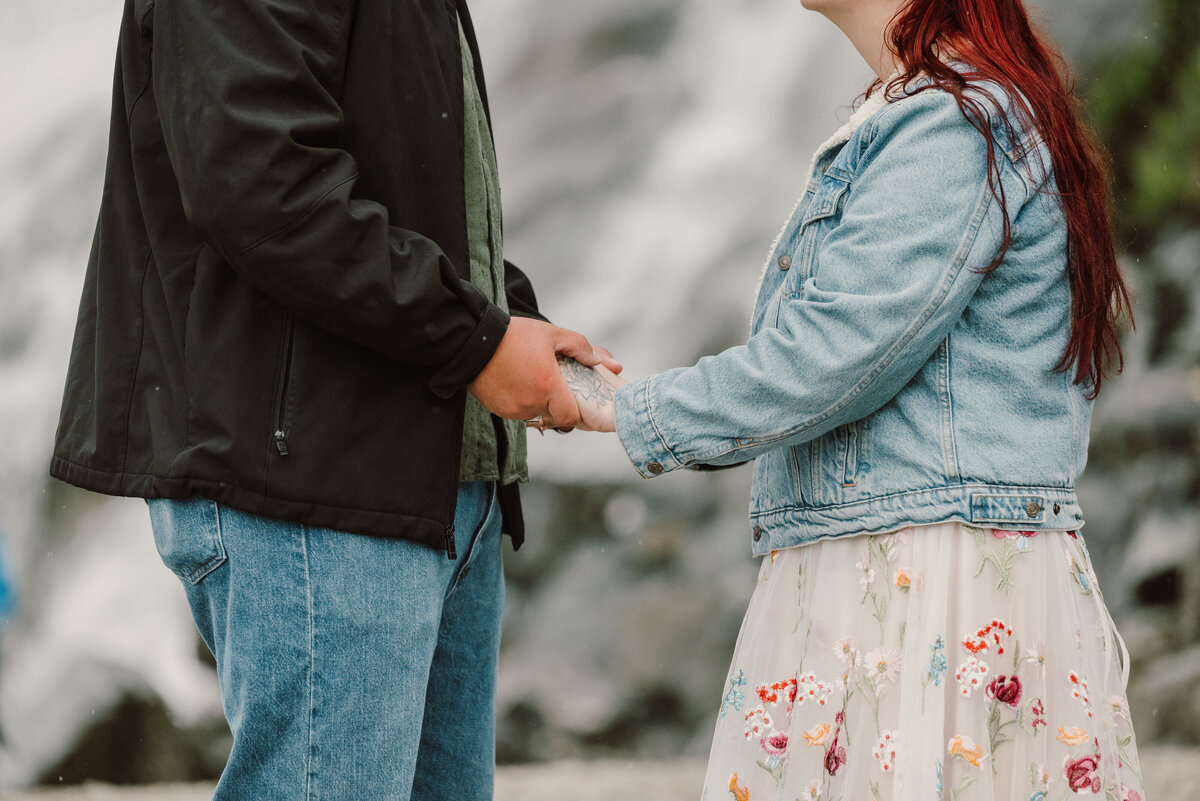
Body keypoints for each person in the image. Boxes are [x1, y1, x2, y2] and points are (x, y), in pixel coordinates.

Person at [559, 0, 1145, 798]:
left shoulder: (952, 121)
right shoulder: (934, 108)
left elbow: (831, 356)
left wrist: (628, 409)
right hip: (906, 553)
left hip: (925, 579)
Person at [49, 0, 618, 798]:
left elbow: (402, 178)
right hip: (313, 489)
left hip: (428, 478)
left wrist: (503, 317)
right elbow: (258, 176)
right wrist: (476, 340)